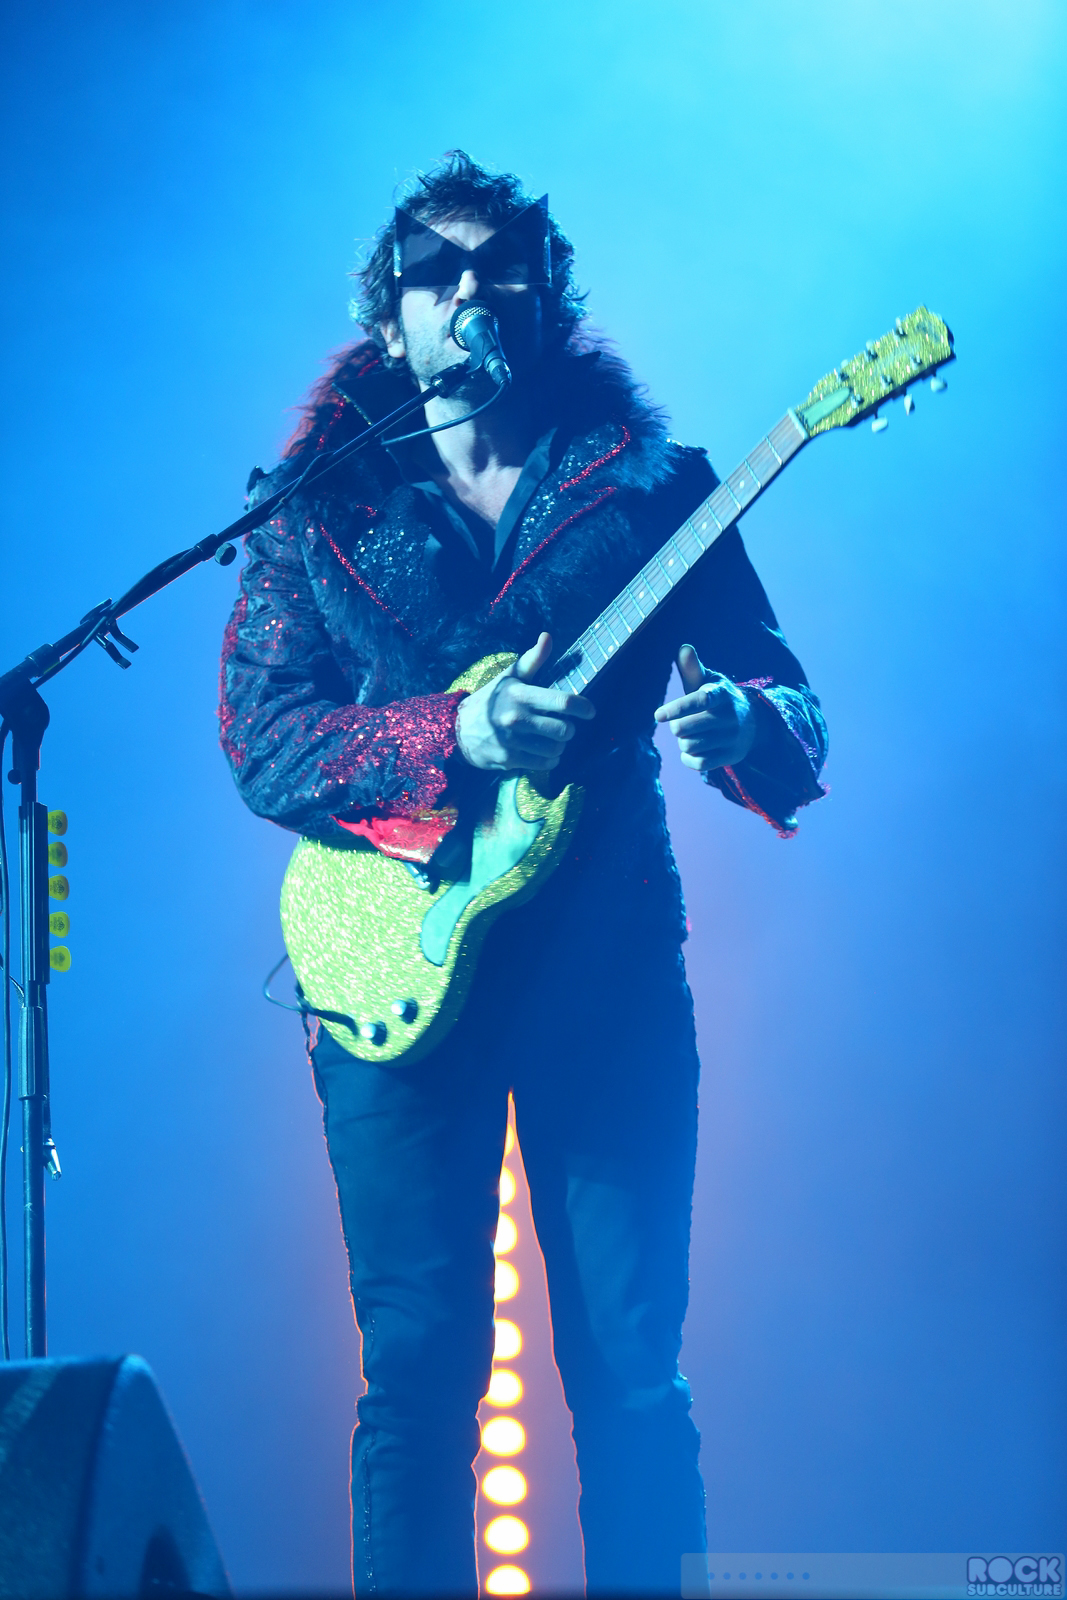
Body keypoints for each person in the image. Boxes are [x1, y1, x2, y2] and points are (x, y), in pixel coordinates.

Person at [219, 151, 827, 1597]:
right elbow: (265, 739)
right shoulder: (319, 508)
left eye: (502, 266)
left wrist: (748, 724)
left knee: (632, 1371)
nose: (472, 289)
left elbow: (790, 702)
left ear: (548, 300)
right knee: (418, 1373)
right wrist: (455, 734)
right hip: (390, 956)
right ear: (390, 319)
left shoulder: (655, 493)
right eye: (436, 272)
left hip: (602, 975)